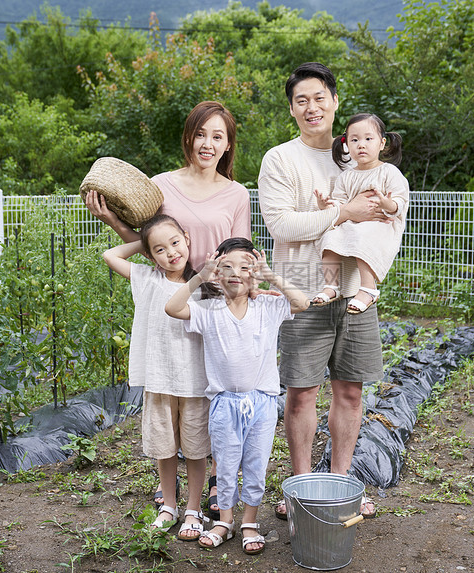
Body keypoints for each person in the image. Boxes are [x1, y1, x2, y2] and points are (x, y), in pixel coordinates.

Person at [86, 101, 249, 527]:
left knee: (210, 398)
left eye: (218, 136)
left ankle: (212, 485)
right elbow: (150, 240)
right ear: (188, 137)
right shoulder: (161, 186)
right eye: (201, 134)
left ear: (228, 143)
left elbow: (239, 253)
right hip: (171, 296)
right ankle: (176, 496)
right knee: (178, 399)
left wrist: (242, 299)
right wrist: (116, 225)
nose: (208, 144)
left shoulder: (236, 193)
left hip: (211, 303)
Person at [258, 62, 393, 519]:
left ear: (334, 101)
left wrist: (358, 214)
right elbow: (281, 224)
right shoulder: (280, 158)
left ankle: (338, 484)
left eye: (320, 98)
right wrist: (343, 213)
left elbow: (382, 214)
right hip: (301, 292)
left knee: (350, 392)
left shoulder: (355, 154)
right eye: (302, 100)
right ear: (292, 109)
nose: (312, 107)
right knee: (300, 394)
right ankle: (299, 489)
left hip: (354, 292)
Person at [165, 238, 309, 554]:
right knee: (226, 464)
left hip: (262, 403)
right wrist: (200, 276)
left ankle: (250, 523)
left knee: (256, 465)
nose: (236, 273)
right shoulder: (208, 310)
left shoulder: (268, 307)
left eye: (246, 267)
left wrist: (271, 276)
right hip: (223, 404)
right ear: (217, 273)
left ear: (254, 273)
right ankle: (225, 521)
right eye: (226, 266)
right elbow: (172, 307)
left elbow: (302, 302)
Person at [102, 214, 214, 540]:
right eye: (160, 250)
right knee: (165, 448)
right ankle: (169, 505)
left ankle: (193, 508)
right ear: (150, 256)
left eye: (175, 242)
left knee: (195, 449)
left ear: (187, 239)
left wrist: (155, 239)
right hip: (160, 379)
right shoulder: (148, 278)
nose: (171, 253)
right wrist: (146, 240)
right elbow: (110, 256)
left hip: (195, 382)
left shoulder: (205, 285)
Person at [311, 112, 409, 313]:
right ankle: (331, 285)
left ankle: (368, 288)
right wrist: (324, 206)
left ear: (382, 143)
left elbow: (400, 202)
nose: (361, 144)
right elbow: (339, 204)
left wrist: (387, 203)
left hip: (381, 224)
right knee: (328, 236)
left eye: (368, 139)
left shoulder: (389, 172)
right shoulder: (347, 176)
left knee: (363, 235)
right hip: (352, 223)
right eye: (354, 140)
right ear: (347, 145)